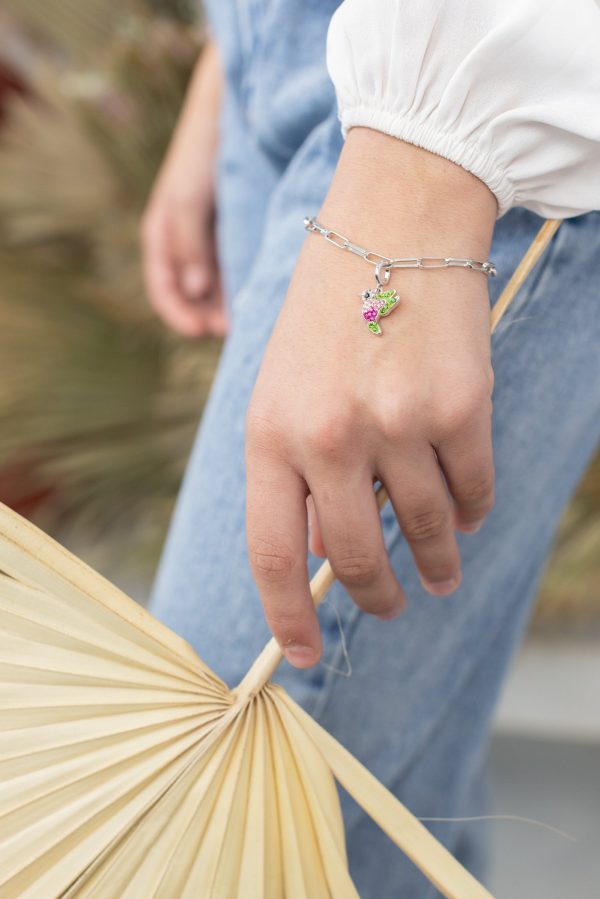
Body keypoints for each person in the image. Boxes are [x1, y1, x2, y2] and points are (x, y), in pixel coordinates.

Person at [142, 1, 600, 894]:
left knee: (201, 825)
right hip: (314, 65)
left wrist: (419, 165)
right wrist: (229, 67)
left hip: (467, 121)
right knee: (376, 824)